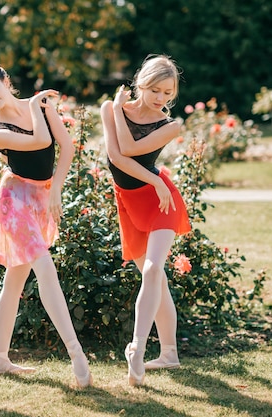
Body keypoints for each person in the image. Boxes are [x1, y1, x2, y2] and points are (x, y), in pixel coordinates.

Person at [0, 61, 92, 388]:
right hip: (15, 199)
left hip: (42, 196)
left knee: (14, 280)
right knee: (44, 268)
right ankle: (77, 354)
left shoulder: (40, 105)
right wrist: (36, 105)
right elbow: (39, 140)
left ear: (5, 81)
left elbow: (66, 147)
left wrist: (57, 191)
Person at [100, 55, 191, 386]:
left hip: (160, 198)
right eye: (155, 89)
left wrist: (155, 182)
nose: (160, 98)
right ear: (140, 82)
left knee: (154, 270)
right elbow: (115, 157)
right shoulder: (110, 109)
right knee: (157, 279)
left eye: (167, 92)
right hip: (129, 201)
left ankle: (137, 348)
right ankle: (169, 354)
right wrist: (115, 110)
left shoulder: (170, 124)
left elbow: (130, 146)